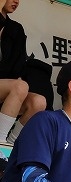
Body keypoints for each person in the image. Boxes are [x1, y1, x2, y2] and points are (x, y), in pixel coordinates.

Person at [0, 0, 47, 143]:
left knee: (39, 102)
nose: (16, 1)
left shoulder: (16, 29)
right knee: (20, 86)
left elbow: (19, 66)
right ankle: (0, 141)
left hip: (6, 87)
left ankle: (11, 144)